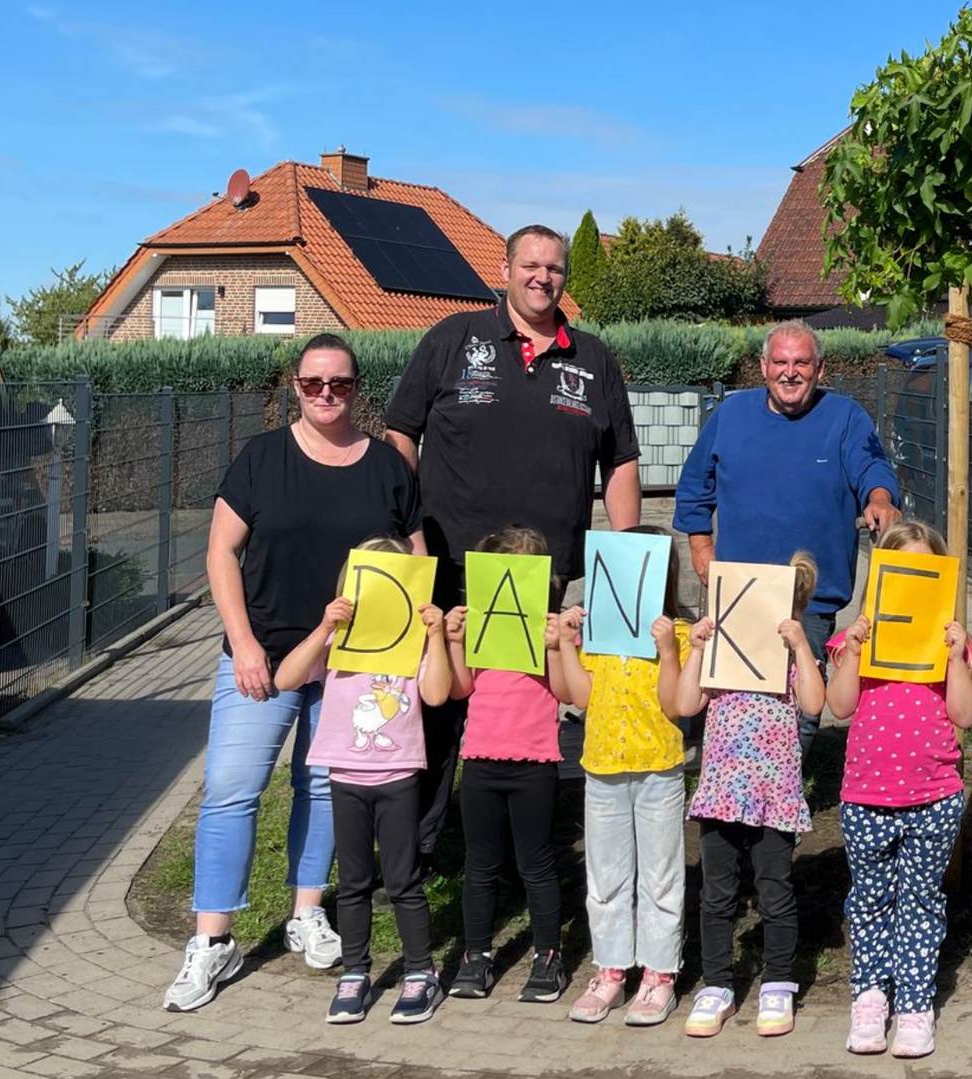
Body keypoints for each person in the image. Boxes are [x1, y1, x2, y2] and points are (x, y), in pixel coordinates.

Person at [164, 333, 422, 1013]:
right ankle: (212, 938)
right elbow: (221, 553)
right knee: (231, 790)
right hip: (265, 657)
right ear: (296, 388)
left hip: (353, 667)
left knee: (323, 788)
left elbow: (413, 562)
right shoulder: (261, 458)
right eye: (313, 383)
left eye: (340, 383)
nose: (326, 394)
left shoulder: (388, 467)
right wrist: (243, 643)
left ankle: (307, 911)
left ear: (357, 388)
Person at [384, 224, 642, 877]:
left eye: (553, 268)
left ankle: (516, 856)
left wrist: (626, 560)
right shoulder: (453, 339)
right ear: (504, 269)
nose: (541, 277)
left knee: (523, 710)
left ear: (564, 278)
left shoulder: (593, 358)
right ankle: (416, 852)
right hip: (449, 563)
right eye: (530, 265)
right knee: (440, 707)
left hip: (542, 575)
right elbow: (400, 432)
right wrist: (407, 528)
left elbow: (620, 462)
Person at [675, 320, 901, 752]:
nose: (790, 372)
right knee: (731, 700)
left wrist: (879, 497)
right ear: (763, 366)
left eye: (802, 363)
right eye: (780, 362)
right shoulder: (731, 416)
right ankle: (731, 786)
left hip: (809, 595)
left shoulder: (845, 417)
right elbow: (694, 487)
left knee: (798, 710)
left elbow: (873, 468)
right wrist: (701, 547)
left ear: (820, 369)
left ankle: (785, 788)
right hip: (740, 588)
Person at [277, 537, 452, 1025]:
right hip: (345, 776)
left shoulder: (413, 642)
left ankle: (421, 972)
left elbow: (437, 694)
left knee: (403, 881)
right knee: (352, 883)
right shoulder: (337, 641)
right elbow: (286, 678)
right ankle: (354, 973)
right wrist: (324, 627)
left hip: (398, 775)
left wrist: (436, 635)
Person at [826, 519, 972, 1060]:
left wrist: (957, 658)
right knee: (869, 900)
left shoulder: (953, 644)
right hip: (866, 796)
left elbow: (966, 714)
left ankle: (915, 1004)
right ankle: (869, 999)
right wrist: (852, 650)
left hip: (933, 796)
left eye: (925, 572)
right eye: (903, 571)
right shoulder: (858, 638)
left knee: (921, 902)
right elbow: (839, 706)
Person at [675, 553, 824, 1040]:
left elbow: (814, 703)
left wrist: (800, 645)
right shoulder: (722, 651)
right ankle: (717, 984)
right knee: (716, 894)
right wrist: (697, 649)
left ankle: (778, 983)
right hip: (721, 793)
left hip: (773, 795)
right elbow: (684, 703)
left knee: (775, 891)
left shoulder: (789, 657)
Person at [550, 526, 692, 1026]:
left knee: (661, 875)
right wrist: (566, 645)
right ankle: (611, 969)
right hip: (603, 767)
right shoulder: (599, 634)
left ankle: (660, 974)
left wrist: (669, 651)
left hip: (659, 769)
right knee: (605, 875)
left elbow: (675, 708)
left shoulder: (677, 634)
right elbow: (578, 696)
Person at [443, 528, 570, 1005]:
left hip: (534, 762)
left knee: (536, 863)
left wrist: (557, 647)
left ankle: (548, 956)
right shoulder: (480, 627)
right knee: (480, 865)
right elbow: (460, 688)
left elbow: (565, 692)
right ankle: (476, 955)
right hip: (480, 759)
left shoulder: (549, 629)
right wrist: (455, 642)